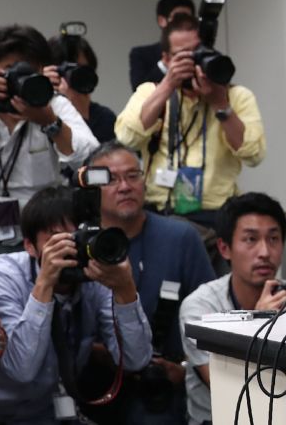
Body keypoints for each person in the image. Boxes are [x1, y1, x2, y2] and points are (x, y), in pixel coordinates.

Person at [77, 141, 215, 425]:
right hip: (99, 388)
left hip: (166, 390)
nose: (124, 186)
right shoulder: (80, 245)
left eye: (132, 175)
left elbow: (212, 320)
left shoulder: (181, 238)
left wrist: (186, 367)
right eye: (111, 179)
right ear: (91, 187)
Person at [0, 185, 153, 424]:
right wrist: (44, 285)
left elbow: (136, 360)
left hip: (61, 410)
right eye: (57, 239)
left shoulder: (94, 273)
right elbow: (21, 370)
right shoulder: (5, 276)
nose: (72, 248)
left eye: (78, 237)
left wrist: (125, 290)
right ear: (29, 246)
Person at [114, 13, 266, 229]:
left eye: (197, 52)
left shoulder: (237, 96)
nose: (192, 61)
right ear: (166, 59)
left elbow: (254, 155)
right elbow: (127, 138)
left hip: (217, 218)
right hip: (161, 215)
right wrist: (167, 85)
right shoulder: (150, 92)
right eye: (182, 56)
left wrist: (220, 104)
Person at [178, 193, 286, 425]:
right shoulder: (200, 307)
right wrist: (259, 321)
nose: (265, 253)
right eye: (250, 239)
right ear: (224, 248)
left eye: (273, 238)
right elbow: (232, 387)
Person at [0, 25, 98, 250]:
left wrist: (50, 122)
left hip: (45, 234)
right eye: (9, 70)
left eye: (27, 70)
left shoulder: (54, 104)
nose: (19, 79)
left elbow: (92, 159)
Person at [47, 32, 116, 146]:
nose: (76, 75)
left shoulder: (104, 118)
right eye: (66, 69)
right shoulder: (39, 115)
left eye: (82, 69)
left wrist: (79, 109)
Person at [128, 0, 195, 91]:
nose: (182, 23)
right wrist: (164, 65)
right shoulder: (141, 54)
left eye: (188, 19)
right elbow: (139, 90)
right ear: (161, 21)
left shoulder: (200, 51)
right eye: (178, 18)